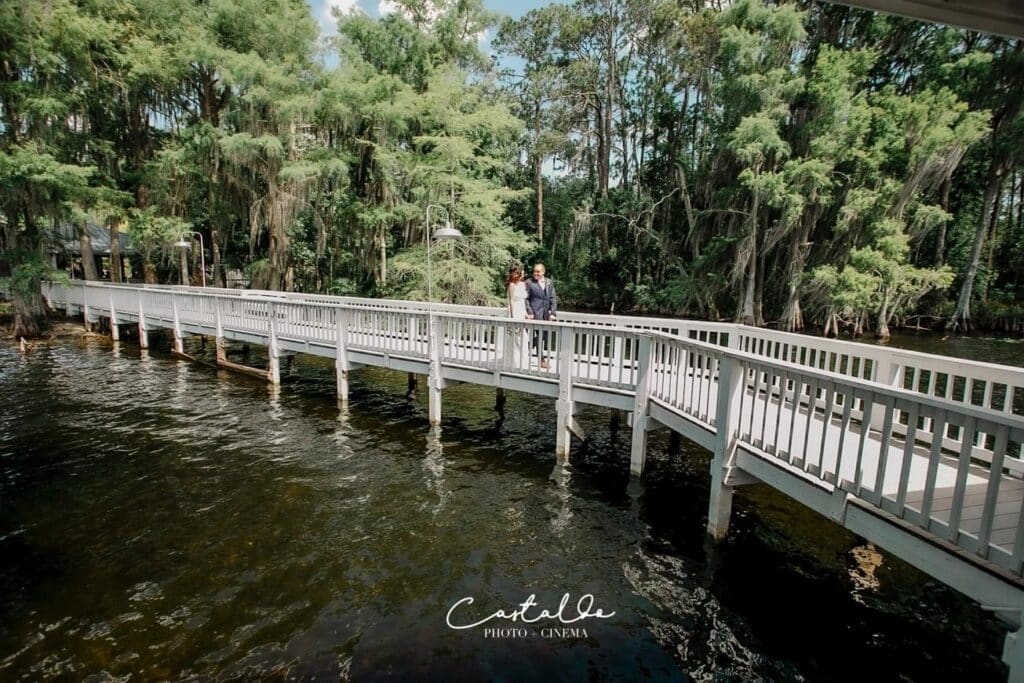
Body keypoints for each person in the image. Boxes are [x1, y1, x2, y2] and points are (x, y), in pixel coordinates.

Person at [525, 262, 557, 368]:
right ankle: (542, 360)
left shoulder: (549, 282)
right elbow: (525, 299)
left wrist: (553, 313)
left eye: (538, 271)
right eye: (534, 271)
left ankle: (530, 345)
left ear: (543, 272)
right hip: (535, 314)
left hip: (546, 315)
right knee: (539, 336)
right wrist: (529, 312)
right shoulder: (529, 283)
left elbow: (553, 298)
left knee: (544, 336)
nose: (535, 273)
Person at [506, 265, 529, 368]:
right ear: (517, 274)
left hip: (521, 311)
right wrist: (512, 315)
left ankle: (523, 362)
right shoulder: (511, 285)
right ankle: (513, 363)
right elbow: (511, 301)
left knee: (523, 339)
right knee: (515, 339)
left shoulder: (522, 284)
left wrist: (525, 313)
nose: (523, 274)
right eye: (521, 273)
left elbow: (523, 301)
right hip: (515, 312)